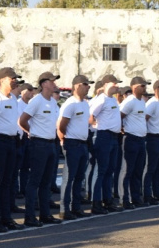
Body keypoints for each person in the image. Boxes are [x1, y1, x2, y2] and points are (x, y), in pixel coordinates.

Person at [19, 71, 62, 227]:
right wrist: (32, 132)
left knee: (46, 182)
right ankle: (30, 216)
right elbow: (22, 121)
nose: (54, 84)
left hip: (50, 144)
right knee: (34, 181)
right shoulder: (37, 101)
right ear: (44, 84)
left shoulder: (52, 102)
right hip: (38, 144)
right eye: (52, 81)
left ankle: (45, 214)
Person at [0, 67, 24, 231]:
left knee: (8, 182)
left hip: (11, 140)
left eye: (16, 78)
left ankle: (6, 218)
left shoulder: (13, 99)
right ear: (2, 80)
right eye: (12, 78)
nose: (15, 80)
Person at [57, 75, 92, 220]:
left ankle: (76, 207)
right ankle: (65, 209)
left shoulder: (84, 103)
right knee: (69, 178)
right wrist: (64, 139)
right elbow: (61, 126)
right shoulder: (70, 104)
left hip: (83, 144)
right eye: (85, 84)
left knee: (79, 178)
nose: (88, 87)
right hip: (72, 143)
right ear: (77, 86)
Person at [89, 74, 124, 214]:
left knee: (110, 170)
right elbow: (90, 116)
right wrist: (97, 126)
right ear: (107, 84)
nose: (118, 86)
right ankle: (96, 202)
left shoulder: (112, 100)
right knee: (101, 171)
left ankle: (107, 200)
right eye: (115, 84)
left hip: (113, 137)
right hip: (104, 136)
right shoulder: (101, 99)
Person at [119, 77, 150, 208]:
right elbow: (119, 116)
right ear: (135, 87)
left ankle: (136, 198)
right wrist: (121, 129)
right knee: (127, 171)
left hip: (141, 139)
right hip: (131, 138)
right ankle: (124, 199)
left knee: (138, 170)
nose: (145, 88)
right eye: (142, 86)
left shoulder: (141, 101)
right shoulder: (130, 101)